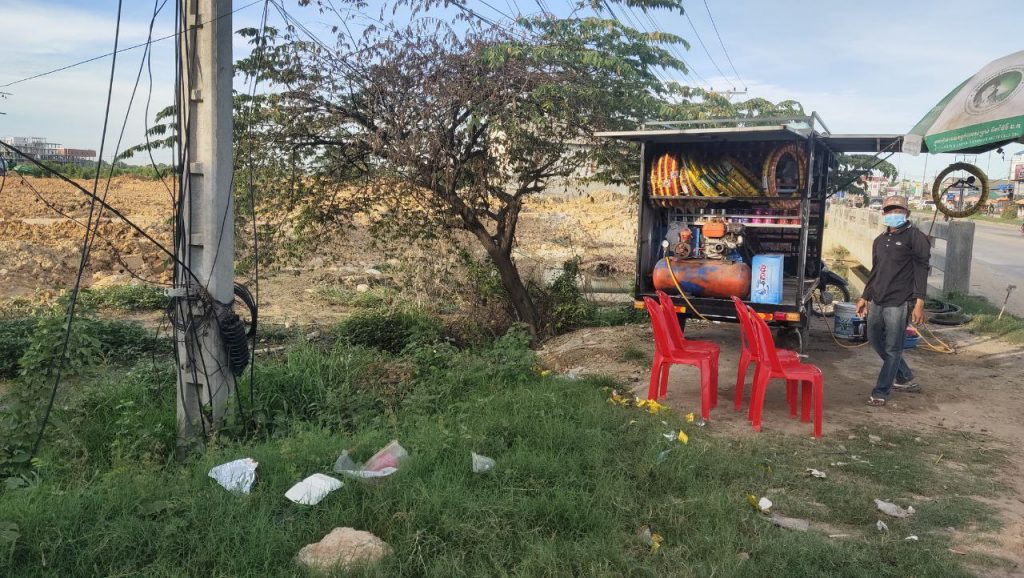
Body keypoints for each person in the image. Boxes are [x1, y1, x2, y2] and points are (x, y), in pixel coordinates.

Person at [855, 195, 930, 406]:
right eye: (890, 211)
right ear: (884, 213)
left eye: (898, 211)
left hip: (899, 300)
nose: (894, 214)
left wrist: (919, 302)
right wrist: (865, 296)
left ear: (907, 213)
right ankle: (904, 375)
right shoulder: (880, 240)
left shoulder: (916, 237)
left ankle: (881, 392)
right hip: (878, 298)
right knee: (874, 338)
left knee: (892, 348)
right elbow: (875, 270)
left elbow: (922, 270)